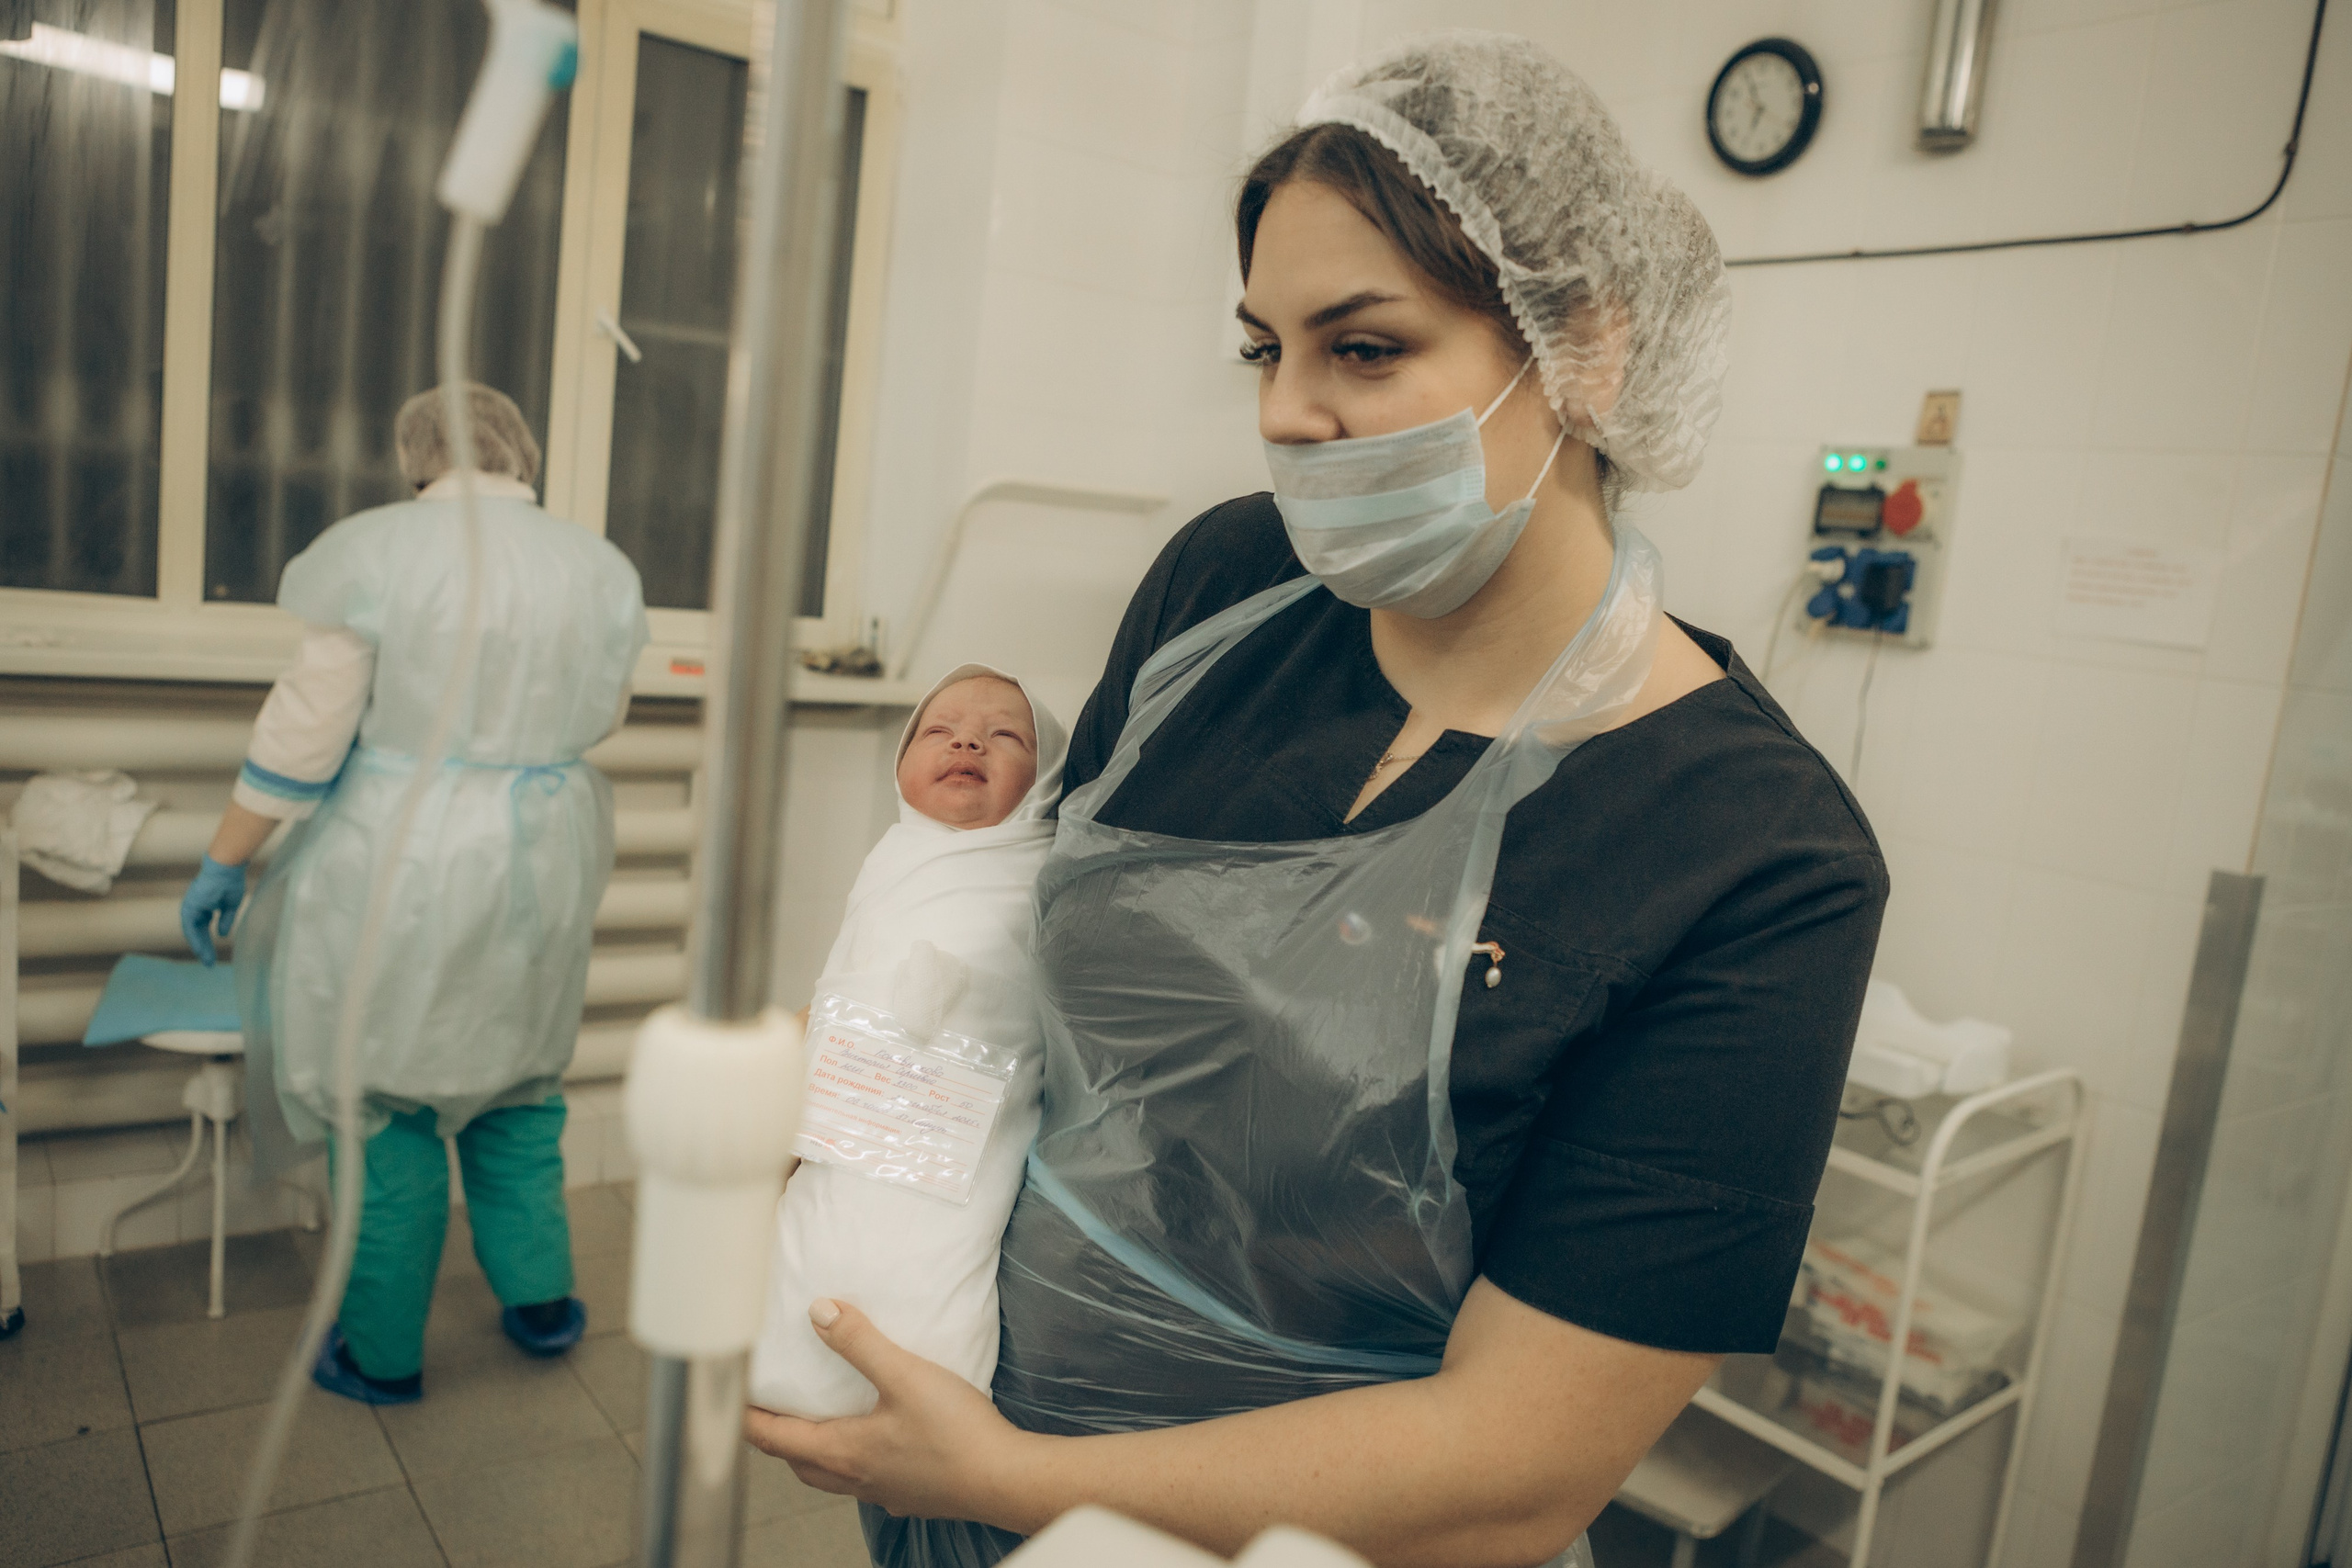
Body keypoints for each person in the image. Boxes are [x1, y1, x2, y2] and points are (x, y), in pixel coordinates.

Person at [746, 32, 1885, 1568]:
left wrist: (1013, 1479)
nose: (1284, 412)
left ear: (1589, 352)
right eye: (1261, 349)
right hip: (957, 1452)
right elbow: (1019, 959)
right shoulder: (1225, 586)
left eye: (1362, 347)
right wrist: (862, 1170)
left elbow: (1519, 1463)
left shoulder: (1752, 851)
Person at [179, 382, 648, 1405]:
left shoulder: (380, 552)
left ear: (416, 462)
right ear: (520, 456)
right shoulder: (596, 566)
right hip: (548, 839)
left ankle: (382, 1353)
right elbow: (601, 714)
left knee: (379, 1098)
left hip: (404, 852)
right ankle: (543, 1307)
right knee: (520, 1085)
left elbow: (306, 730)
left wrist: (226, 856)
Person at [749, 666, 1068, 1421]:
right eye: (940, 728)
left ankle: (927, 1388)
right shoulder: (890, 861)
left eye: (1005, 736)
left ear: (1049, 773)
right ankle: (786, 1349)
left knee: (920, 1258)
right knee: (821, 1234)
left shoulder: (1045, 873)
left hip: (960, 1137)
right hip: (848, 1119)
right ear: (900, 764)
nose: (967, 740)